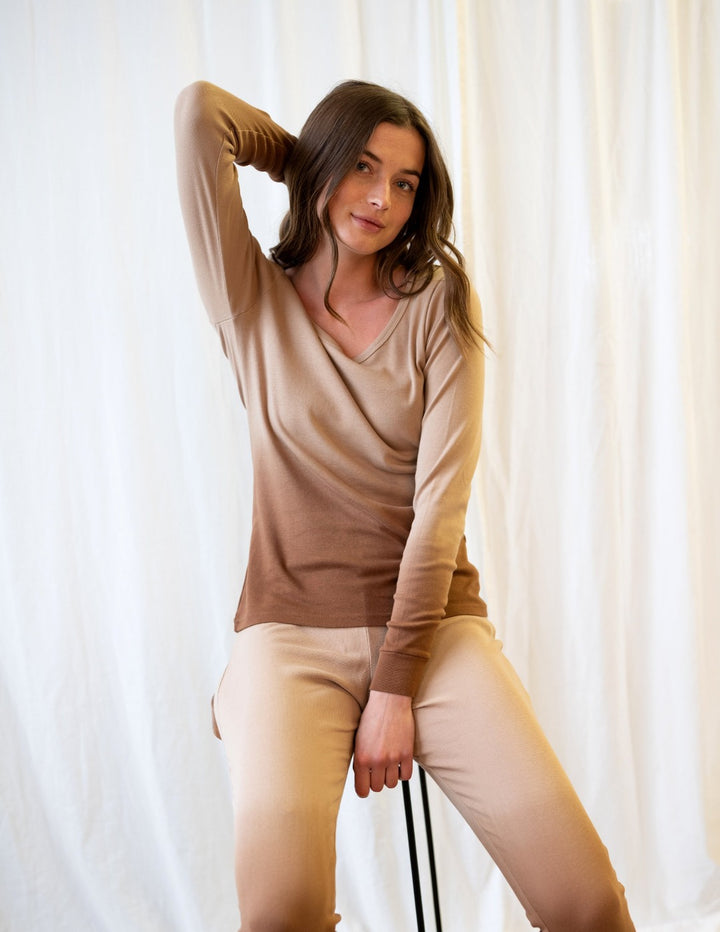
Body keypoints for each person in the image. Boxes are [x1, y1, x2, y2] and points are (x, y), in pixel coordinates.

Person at [174, 79, 635, 932]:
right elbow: (202, 115)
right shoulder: (251, 301)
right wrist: (305, 163)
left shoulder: (436, 306)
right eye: (362, 167)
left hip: (432, 631)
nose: (382, 198)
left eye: (405, 182)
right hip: (289, 632)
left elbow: (440, 513)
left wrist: (394, 687)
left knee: (587, 902)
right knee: (280, 913)